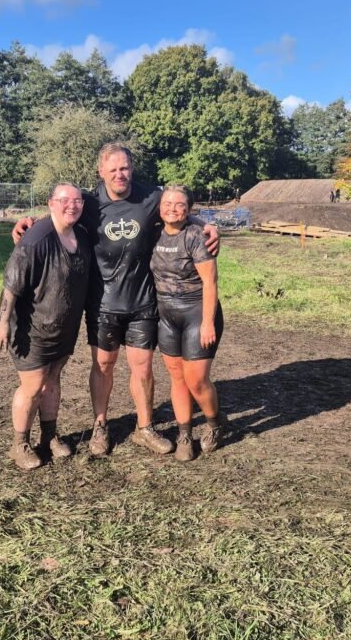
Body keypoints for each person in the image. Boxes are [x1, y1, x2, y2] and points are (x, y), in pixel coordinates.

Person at [13, 143, 219, 458]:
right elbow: (61, 212)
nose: (120, 175)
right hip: (102, 303)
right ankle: (100, 427)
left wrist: (207, 225)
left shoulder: (149, 197)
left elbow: (177, 210)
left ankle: (145, 428)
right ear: (101, 172)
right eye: (113, 170)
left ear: (131, 168)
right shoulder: (90, 202)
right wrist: (28, 222)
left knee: (142, 367)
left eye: (124, 168)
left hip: (142, 302)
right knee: (103, 365)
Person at [0, 183, 92, 470]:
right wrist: (3, 323)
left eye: (77, 201)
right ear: (51, 203)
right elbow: (12, 283)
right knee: (33, 385)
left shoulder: (82, 236)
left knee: (53, 379)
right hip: (31, 329)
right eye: (64, 201)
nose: (71, 206)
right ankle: (19, 444)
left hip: (62, 329)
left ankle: (49, 436)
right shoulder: (36, 238)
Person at [152, 186, 227, 461]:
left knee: (196, 381)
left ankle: (216, 422)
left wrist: (208, 322)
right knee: (177, 378)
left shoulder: (196, 235)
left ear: (189, 209)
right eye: (167, 202)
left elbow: (210, 281)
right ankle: (184, 434)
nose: (172, 207)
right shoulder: (153, 232)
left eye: (180, 204)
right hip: (167, 315)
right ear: (159, 206)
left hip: (197, 312)